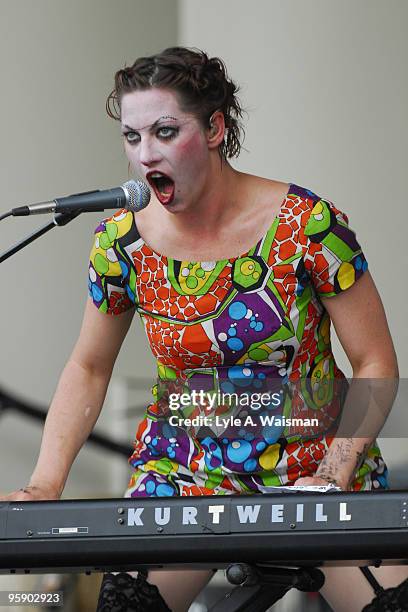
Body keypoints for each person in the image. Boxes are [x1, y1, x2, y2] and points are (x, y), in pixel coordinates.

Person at [1, 46, 407, 611]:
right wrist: (45, 485)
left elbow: (375, 363)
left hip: (315, 466)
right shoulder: (122, 243)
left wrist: (334, 473)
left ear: (215, 128)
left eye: (165, 132)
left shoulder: (306, 225)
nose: (145, 155)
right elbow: (88, 368)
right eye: (132, 137)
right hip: (185, 469)